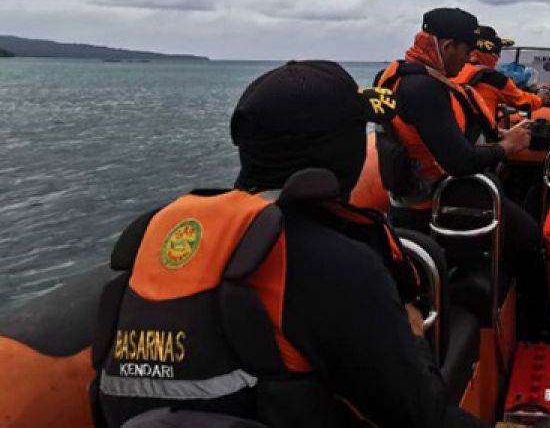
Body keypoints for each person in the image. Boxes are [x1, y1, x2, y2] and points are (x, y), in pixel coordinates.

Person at [92, 60, 481, 428]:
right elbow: (418, 413)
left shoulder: (152, 245)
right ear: (343, 150)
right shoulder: (336, 263)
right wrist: (412, 332)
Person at [369, 7, 550, 341]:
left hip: (404, 204)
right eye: (466, 52)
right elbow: (461, 162)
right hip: (442, 204)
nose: (468, 60)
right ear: (447, 45)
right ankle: (535, 334)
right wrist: (508, 147)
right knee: (530, 238)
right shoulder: (424, 89)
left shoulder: (389, 76)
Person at [453, 25, 549, 124]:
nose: (498, 57)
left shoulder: (453, 70)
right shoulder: (494, 79)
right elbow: (525, 103)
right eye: (498, 51)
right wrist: (541, 98)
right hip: (479, 136)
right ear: (489, 49)